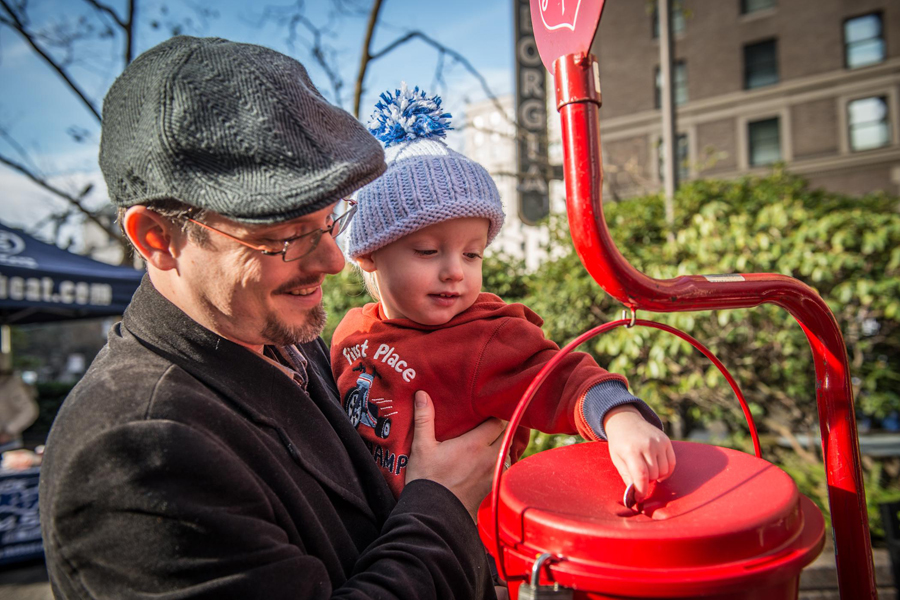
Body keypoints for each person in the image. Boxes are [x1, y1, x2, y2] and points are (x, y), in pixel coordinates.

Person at [39, 37, 505, 600]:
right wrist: (442, 506)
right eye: (282, 236)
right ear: (157, 238)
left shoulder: (277, 333)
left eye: (332, 217)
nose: (334, 261)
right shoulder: (137, 457)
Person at [332, 85, 676, 500]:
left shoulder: (485, 340)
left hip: (467, 539)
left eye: (473, 254)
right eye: (427, 251)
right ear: (368, 254)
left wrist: (621, 418)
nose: (455, 272)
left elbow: (560, 378)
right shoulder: (352, 332)